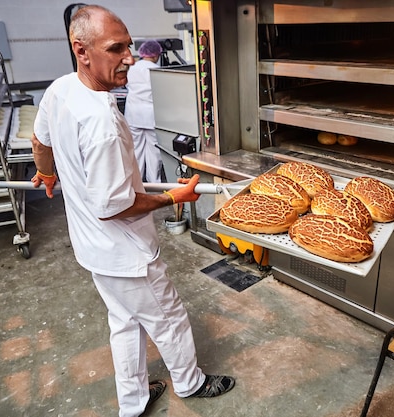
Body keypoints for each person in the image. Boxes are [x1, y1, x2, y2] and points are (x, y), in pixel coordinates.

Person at [30, 5, 235, 417]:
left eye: (129, 45)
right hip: (126, 255)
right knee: (169, 319)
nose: (128, 56)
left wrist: (46, 172)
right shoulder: (102, 122)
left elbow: (41, 139)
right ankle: (191, 383)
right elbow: (116, 207)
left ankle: (134, 403)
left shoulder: (60, 89)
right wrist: (173, 199)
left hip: (92, 250)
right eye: (116, 48)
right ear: (81, 50)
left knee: (124, 323)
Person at [124, 39, 164, 184]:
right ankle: (154, 182)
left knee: (136, 151)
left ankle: (137, 183)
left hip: (133, 115)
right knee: (154, 151)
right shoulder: (156, 70)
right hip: (151, 115)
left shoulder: (131, 68)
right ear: (155, 55)